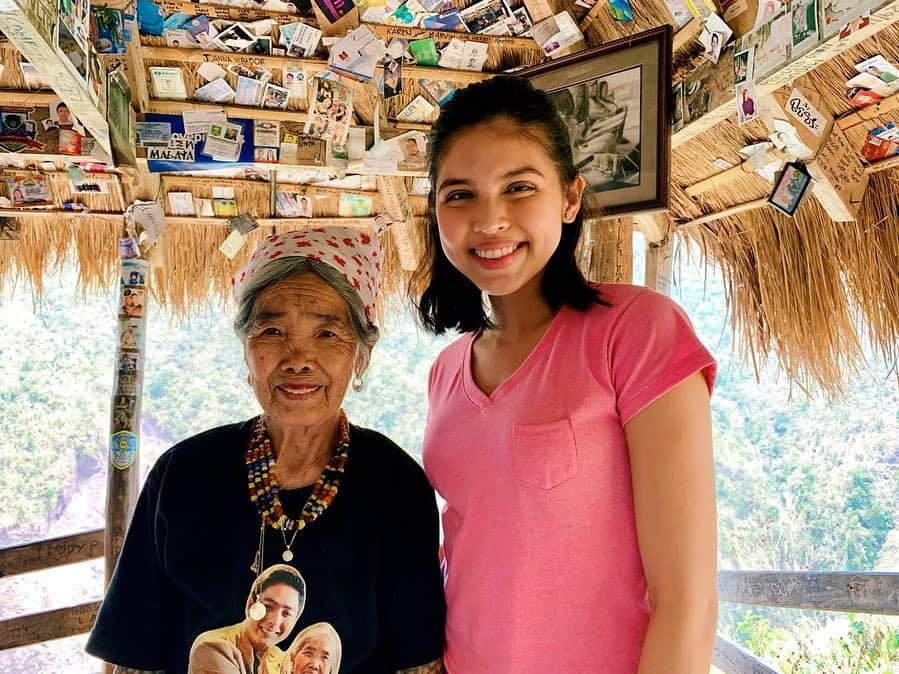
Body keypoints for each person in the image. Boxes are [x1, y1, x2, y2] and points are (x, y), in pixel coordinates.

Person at [410, 75, 717, 672]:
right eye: (459, 195)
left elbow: (687, 603)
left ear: (570, 199)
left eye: (518, 187)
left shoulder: (637, 333)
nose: (490, 219)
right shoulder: (446, 371)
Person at [87, 226, 446, 673]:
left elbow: (417, 663)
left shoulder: (395, 484)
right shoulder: (183, 474)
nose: (298, 357)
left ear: (362, 356)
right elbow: (131, 655)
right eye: (273, 330)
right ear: (246, 350)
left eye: (327, 335)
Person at [189, 565, 306, 674]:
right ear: (250, 603)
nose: (274, 621)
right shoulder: (212, 646)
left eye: (286, 614)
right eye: (268, 606)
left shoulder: (280, 658)